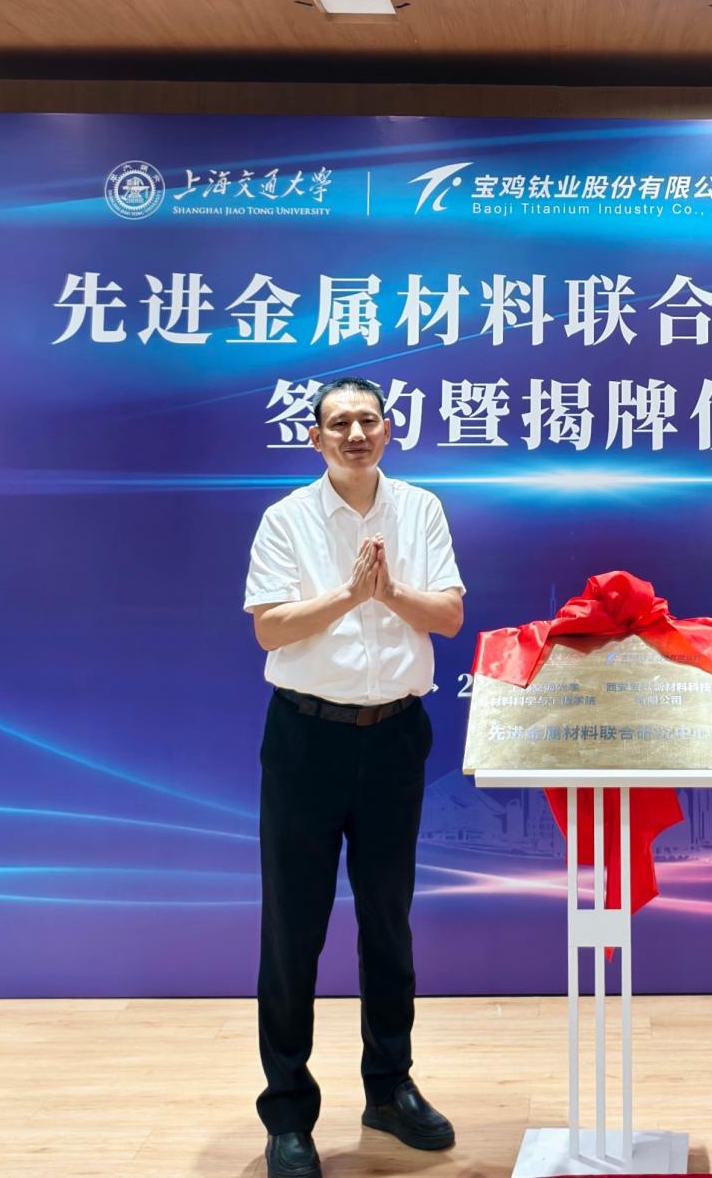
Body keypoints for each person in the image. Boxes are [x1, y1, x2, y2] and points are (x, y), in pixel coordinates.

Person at [243, 376, 466, 1178]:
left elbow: (448, 616)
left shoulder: (421, 510)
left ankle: (389, 1088)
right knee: (293, 931)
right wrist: (348, 596)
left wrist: (390, 591)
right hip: (306, 739)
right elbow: (269, 628)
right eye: (339, 423)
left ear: (389, 429)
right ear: (316, 438)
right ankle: (288, 1113)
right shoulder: (286, 518)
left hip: (396, 736)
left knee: (387, 922)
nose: (355, 433)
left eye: (368, 420)